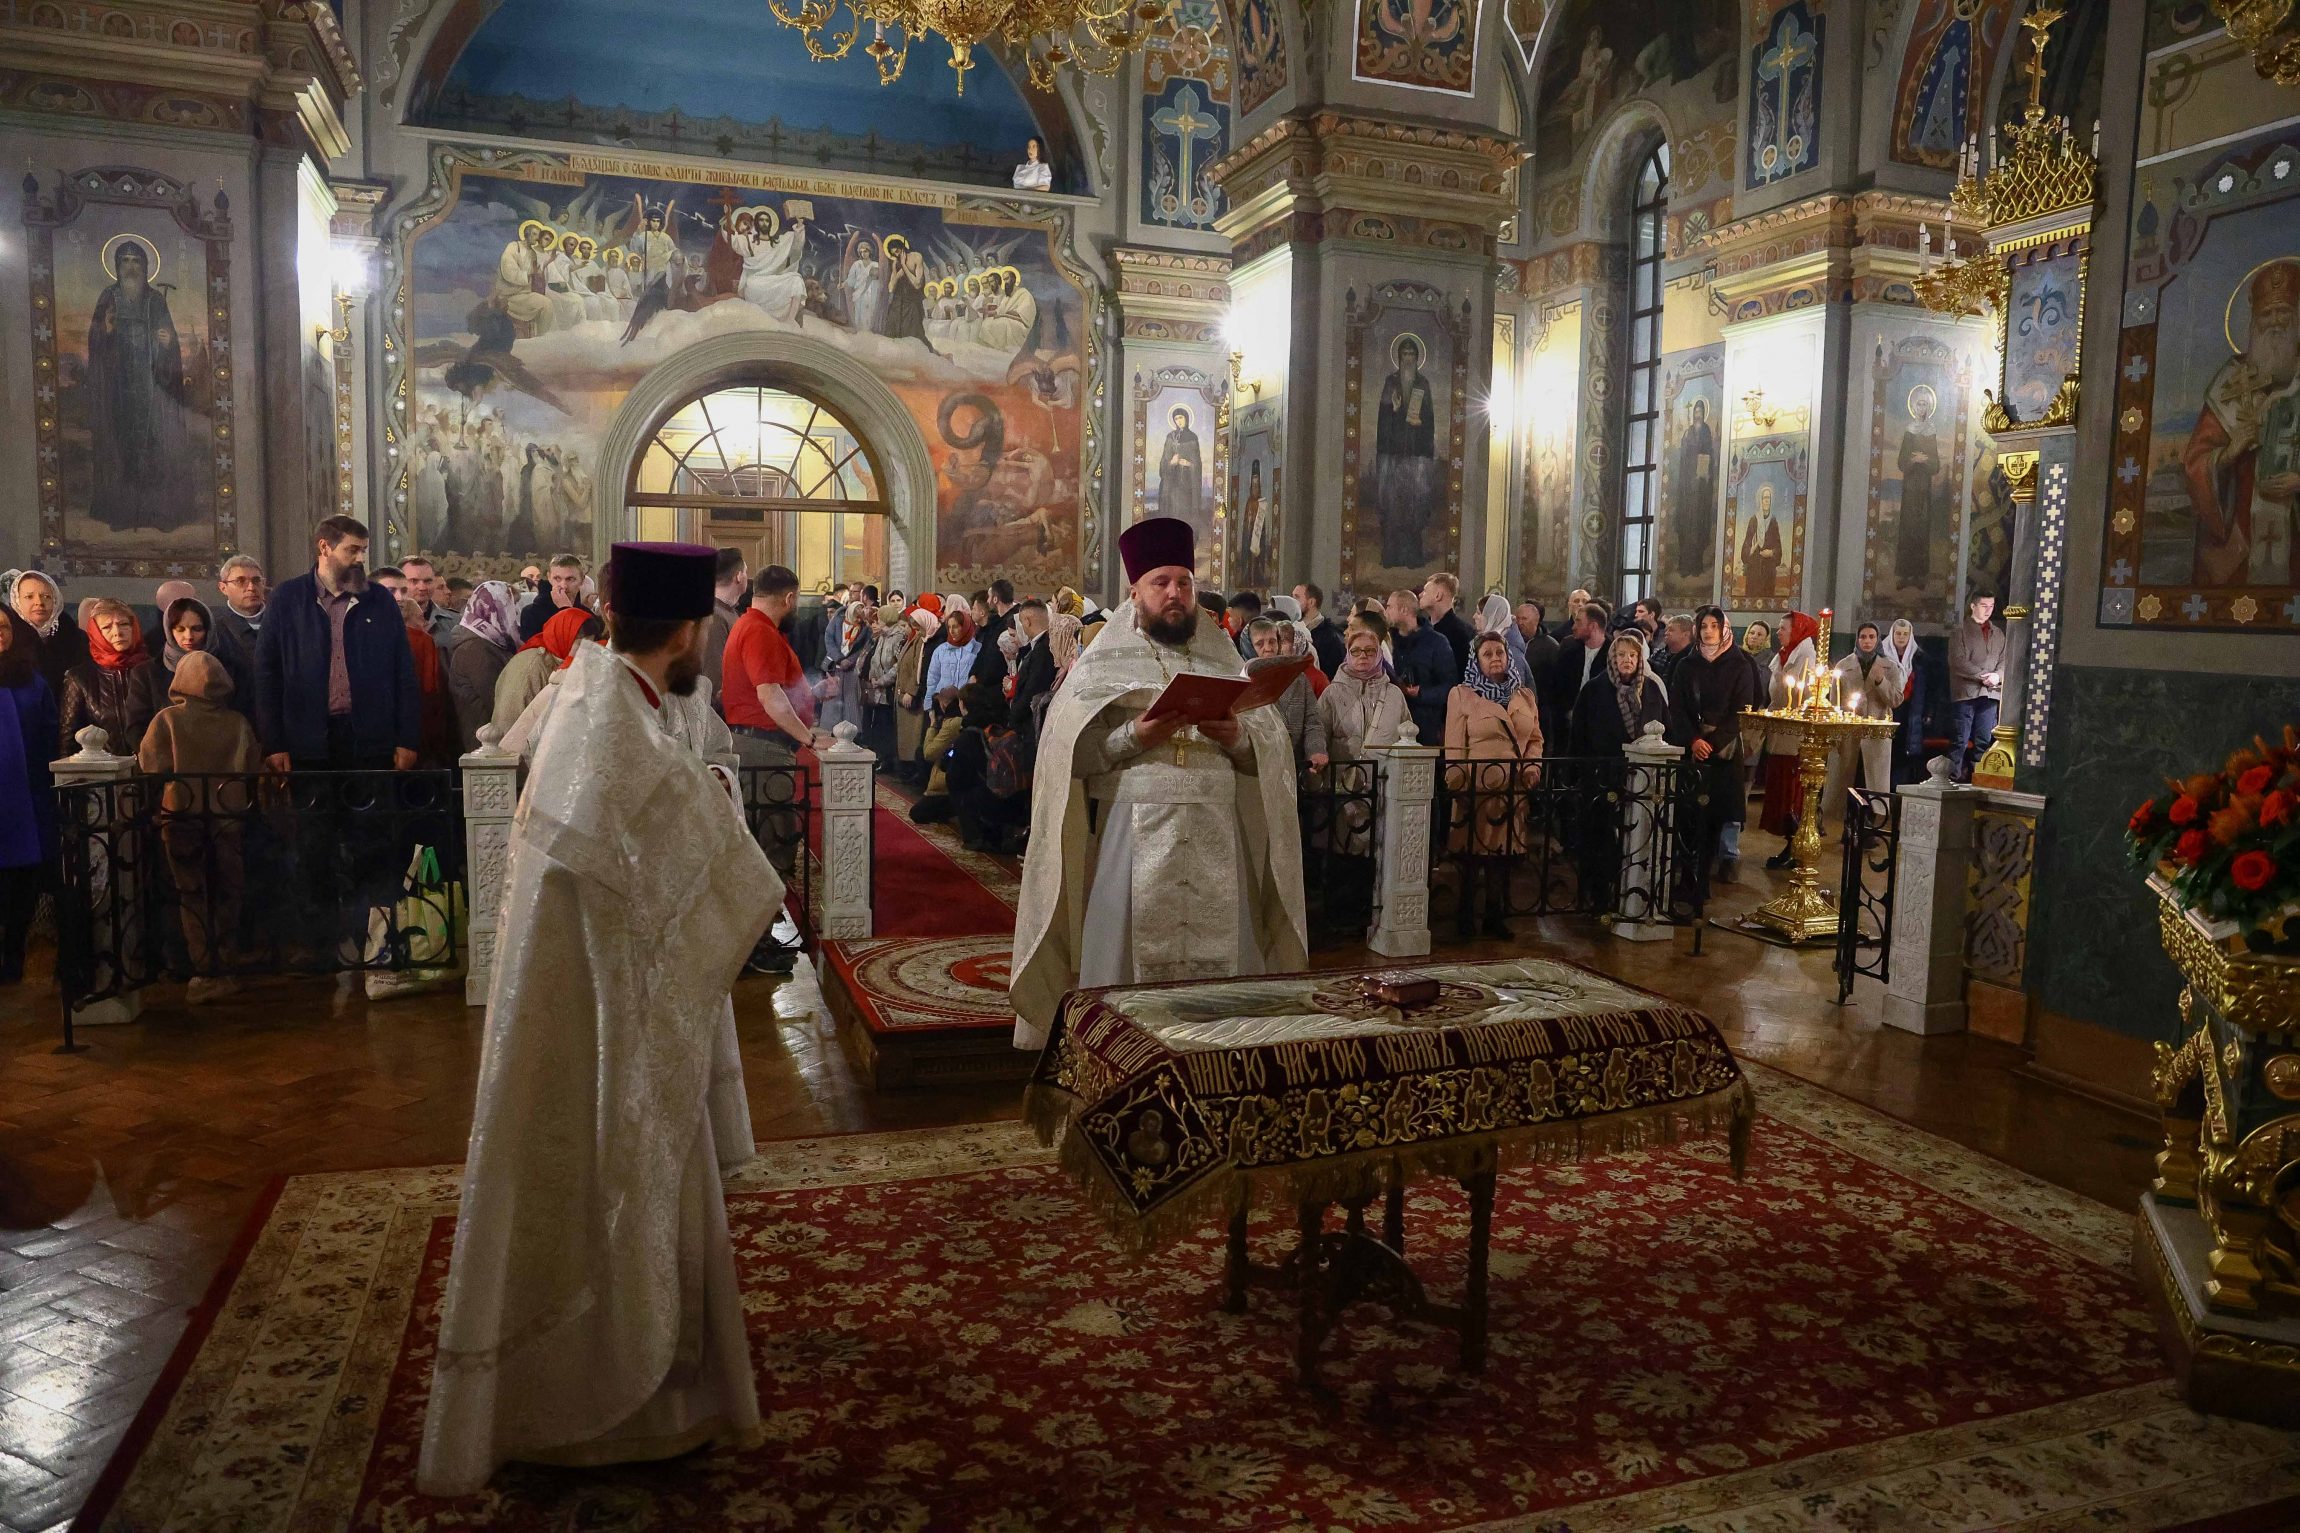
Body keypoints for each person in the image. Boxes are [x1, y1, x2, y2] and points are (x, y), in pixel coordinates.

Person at [418, 543, 779, 1498]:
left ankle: (636, 1380)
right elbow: (705, 861)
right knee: (615, 1175)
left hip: (609, 989)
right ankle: (615, 1403)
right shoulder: (617, 724)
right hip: (611, 1005)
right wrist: (721, 811)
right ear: (688, 631)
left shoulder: (598, 696)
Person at [1010, 516, 1305, 1049]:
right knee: (1124, 961)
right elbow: (1067, 757)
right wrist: (1134, 736)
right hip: (1131, 830)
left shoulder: (1222, 656)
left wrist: (1238, 738)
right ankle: (1120, 1058)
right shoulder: (1103, 663)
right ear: (1135, 591)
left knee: (1224, 970)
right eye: (1161, 582)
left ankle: (1220, 1062)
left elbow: (1270, 755)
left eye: (1184, 583)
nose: (1175, 593)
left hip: (1219, 831)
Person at [136, 651, 262, 1004]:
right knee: (228, 891)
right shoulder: (237, 722)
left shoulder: (167, 720)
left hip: (182, 818)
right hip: (227, 819)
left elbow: (150, 764)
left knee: (191, 892)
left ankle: (203, 969)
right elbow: (251, 767)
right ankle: (226, 964)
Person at [723, 565, 830, 971]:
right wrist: (808, 738)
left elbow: (775, 692)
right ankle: (755, 945)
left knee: (764, 842)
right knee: (774, 841)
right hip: (764, 752)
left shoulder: (748, 625)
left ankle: (755, 938)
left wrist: (812, 694)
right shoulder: (761, 632)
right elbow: (769, 697)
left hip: (756, 746)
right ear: (789, 598)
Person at [253, 517, 419, 774]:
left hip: (372, 741)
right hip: (306, 741)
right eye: (352, 550)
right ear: (324, 547)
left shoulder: (380, 601)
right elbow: (267, 674)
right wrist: (273, 743)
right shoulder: (288, 599)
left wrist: (407, 739)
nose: (360, 559)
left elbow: (403, 672)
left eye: (363, 550)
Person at [1443, 630, 1544, 941]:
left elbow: (1535, 739)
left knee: (1502, 857)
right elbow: (1454, 745)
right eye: (1487, 654)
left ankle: (1494, 915)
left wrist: (1532, 768)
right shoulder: (1462, 695)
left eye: (1499, 652)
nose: (1495, 658)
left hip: (1513, 789)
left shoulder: (1524, 696)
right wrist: (1457, 784)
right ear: (1476, 660)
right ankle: (1464, 916)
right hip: (1476, 789)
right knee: (1472, 856)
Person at [1669, 606, 1766, 888]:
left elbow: (1743, 709)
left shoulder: (1740, 663)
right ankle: (1689, 869)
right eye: (1704, 626)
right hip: (1693, 747)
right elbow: (1677, 707)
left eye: (1714, 625)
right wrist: (1693, 740)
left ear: (1724, 628)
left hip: (1724, 748)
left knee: (1723, 809)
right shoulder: (1686, 664)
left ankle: (1722, 861)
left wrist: (1711, 743)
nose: (1709, 631)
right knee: (1690, 809)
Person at [0, 606, 57, 985]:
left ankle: (13, 956)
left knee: (22, 882)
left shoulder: (31, 682)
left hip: (25, 798)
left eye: (4, 627)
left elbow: (49, 733)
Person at [129, 595, 252, 736]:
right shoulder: (146, 673)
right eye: (180, 629)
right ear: (169, 631)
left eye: (197, 629)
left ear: (208, 630)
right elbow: (136, 728)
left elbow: (244, 720)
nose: (189, 636)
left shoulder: (232, 669)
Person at [1760, 610, 1821, 863]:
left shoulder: (1806, 659)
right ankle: (1790, 844)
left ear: (1796, 631)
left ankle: (1797, 848)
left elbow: (1803, 699)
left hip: (1795, 738)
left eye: (1783, 628)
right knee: (1781, 791)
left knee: (1792, 794)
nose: (1778, 632)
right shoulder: (1784, 655)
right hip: (1781, 733)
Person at [59, 598, 155, 754]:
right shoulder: (80, 678)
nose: (117, 632)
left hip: (152, 765)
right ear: (96, 633)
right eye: (106, 627)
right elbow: (68, 740)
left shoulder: (154, 670)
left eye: (124, 624)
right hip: (103, 766)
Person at [493, 607, 604, 737]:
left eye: (591, 645)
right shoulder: (532, 666)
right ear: (564, 637)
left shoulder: (556, 657)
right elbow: (510, 720)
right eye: (580, 645)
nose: (585, 651)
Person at [913, 607, 981, 811]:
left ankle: (952, 793)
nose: (953, 631)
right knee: (930, 750)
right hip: (941, 706)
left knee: (955, 752)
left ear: (965, 627)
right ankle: (933, 789)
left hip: (963, 706)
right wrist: (930, 705)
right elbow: (932, 679)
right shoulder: (941, 650)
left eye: (957, 627)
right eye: (949, 627)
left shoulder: (977, 649)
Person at [1829, 621, 1900, 801]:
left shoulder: (1890, 667)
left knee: (1875, 781)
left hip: (1876, 731)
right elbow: (1834, 702)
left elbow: (1895, 700)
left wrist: (1881, 681)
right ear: (1857, 639)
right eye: (1863, 637)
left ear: (1878, 639)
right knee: (1841, 780)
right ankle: (1837, 814)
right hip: (1848, 731)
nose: (1867, 641)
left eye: (1871, 637)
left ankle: (1876, 814)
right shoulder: (1843, 665)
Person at [448, 580, 522, 754]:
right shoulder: (477, 649)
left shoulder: (491, 642)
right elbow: (498, 702)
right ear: (494, 609)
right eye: (511, 606)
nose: (515, 612)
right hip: (485, 746)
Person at [1571, 630, 1671, 756]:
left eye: (1633, 655)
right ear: (1613, 657)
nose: (1627, 659)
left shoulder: (1651, 688)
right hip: (1605, 762)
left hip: (1645, 762)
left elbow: (1666, 727)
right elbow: (1579, 733)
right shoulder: (1594, 689)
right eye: (1621, 654)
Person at [1247, 617, 1327, 771]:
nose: (1268, 648)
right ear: (1249, 647)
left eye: (1272, 641)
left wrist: (1316, 749)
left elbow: (1312, 721)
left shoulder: (1297, 678)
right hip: (1257, 768)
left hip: (1295, 767)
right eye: (1260, 644)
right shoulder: (1241, 682)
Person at [1383, 588, 1455, 746]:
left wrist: (1420, 693)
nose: (1386, 611)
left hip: (1425, 724)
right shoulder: (1387, 641)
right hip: (1390, 720)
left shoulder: (1436, 642)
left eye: (1389, 607)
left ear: (1404, 610)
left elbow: (1449, 685)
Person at [397, 595, 460, 767]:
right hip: (422, 718)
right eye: (420, 617)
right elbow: (431, 686)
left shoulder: (385, 639)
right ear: (408, 618)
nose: (425, 622)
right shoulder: (423, 640)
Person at [9, 570, 86, 707]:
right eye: (29, 597)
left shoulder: (74, 636)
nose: (39, 602)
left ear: (55, 600)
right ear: (17, 601)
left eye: (46, 596)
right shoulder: (8, 638)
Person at [1542, 598, 1610, 739]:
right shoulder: (1569, 651)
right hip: (1568, 727)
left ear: (1593, 626)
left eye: (1578, 622)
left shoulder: (1613, 654)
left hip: (1600, 728)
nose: (1573, 627)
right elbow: (1555, 689)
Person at [1881, 617, 1927, 783]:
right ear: (1892, 635)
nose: (1901, 637)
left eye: (1905, 634)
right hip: (1888, 707)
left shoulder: (1919, 657)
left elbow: (1925, 686)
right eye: (1898, 633)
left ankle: (1900, 785)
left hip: (1910, 708)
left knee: (1905, 748)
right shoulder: (1882, 655)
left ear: (1910, 636)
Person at [701, 547, 748, 700]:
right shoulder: (714, 615)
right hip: (720, 707)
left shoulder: (730, 612)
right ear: (739, 576)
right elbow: (713, 670)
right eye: (746, 572)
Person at [211, 555, 267, 673]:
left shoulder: (282, 620)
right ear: (223, 588)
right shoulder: (213, 626)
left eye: (256, 580)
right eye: (240, 581)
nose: (251, 587)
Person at [516, 554, 587, 643]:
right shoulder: (531, 614)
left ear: (582, 580)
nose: (563, 586)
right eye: (557, 578)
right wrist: (566, 610)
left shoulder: (588, 616)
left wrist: (566, 609)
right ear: (549, 578)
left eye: (570, 579)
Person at [402, 556, 460, 652]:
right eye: (413, 581)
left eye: (428, 581)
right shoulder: (386, 621)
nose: (422, 587)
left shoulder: (456, 621)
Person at [1421, 573, 1475, 675]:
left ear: (1438, 596)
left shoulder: (1461, 633)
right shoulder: (1421, 629)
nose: (1420, 595)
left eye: (1425, 591)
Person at [1294, 582, 1345, 675]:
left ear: (1311, 602)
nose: (1292, 602)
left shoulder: (1331, 637)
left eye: (1296, 597)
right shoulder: (1293, 629)